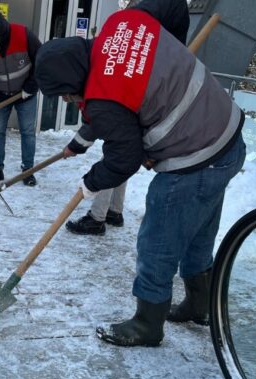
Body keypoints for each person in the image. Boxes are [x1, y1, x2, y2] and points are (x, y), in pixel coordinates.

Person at [34, 0, 246, 347]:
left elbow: (125, 157)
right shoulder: (125, 22)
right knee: (197, 232)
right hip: (227, 137)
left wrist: (90, 183)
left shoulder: (104, 98)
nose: (70, 100)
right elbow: (170, 6)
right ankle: (199, 303)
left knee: (157, 243)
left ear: (72, 79)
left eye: (67, 94)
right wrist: (172, 47)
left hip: (192, 155)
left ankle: (148, 323)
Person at [65, 0, 190, 236]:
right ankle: (114, 211)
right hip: (141, 103)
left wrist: (77, 144)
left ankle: (97, 217)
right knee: (123, 155)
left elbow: (99, 115)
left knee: (116, 157)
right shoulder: (141, 31)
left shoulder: (136, 29)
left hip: (142, 104)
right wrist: (76, 144)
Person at [0, 9, 42, 186]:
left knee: (27, 132)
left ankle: (28, 170)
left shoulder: (23, 35)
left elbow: (43, 61)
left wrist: (31, 86)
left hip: (25, 94)